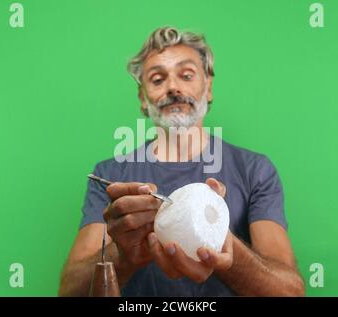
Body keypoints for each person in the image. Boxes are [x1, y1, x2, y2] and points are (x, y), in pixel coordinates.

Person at [59, 26, 305, 296]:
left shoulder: (255, 170)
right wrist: (124, 255)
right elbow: (70, 290)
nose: (173, 87)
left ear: (208, 87)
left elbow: (289, 291)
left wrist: (217, 241)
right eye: (157, 79)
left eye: (186, 75)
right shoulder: (110, 173)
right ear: (143, 98)